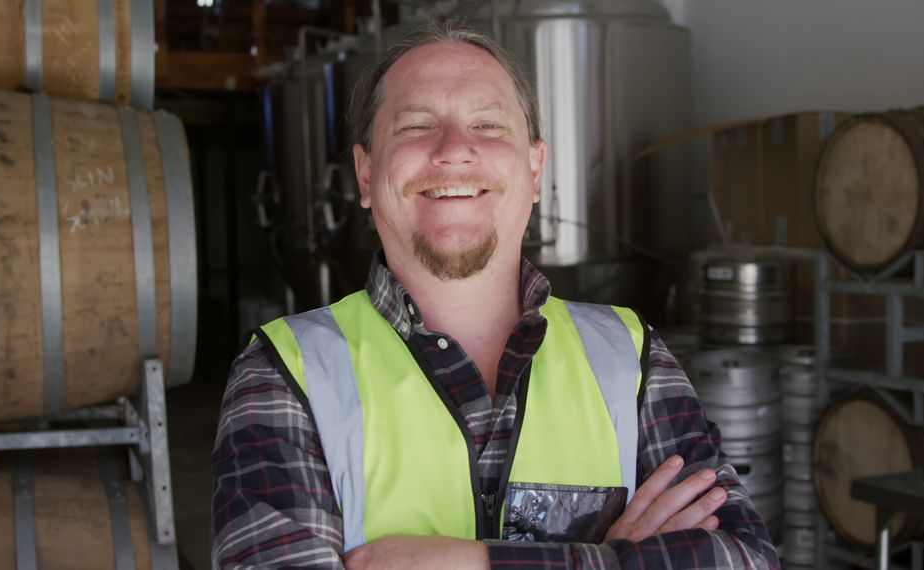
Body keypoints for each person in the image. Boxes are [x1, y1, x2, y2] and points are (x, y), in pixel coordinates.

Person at [212, 18, 779, 569]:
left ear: (535, 169)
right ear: (364, 175)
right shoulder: (284, 372)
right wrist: (612, 556)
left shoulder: (631, 356)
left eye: (488, 125)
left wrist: (473, 562)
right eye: (415, 126)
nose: (454, 149)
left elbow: (744, 558)